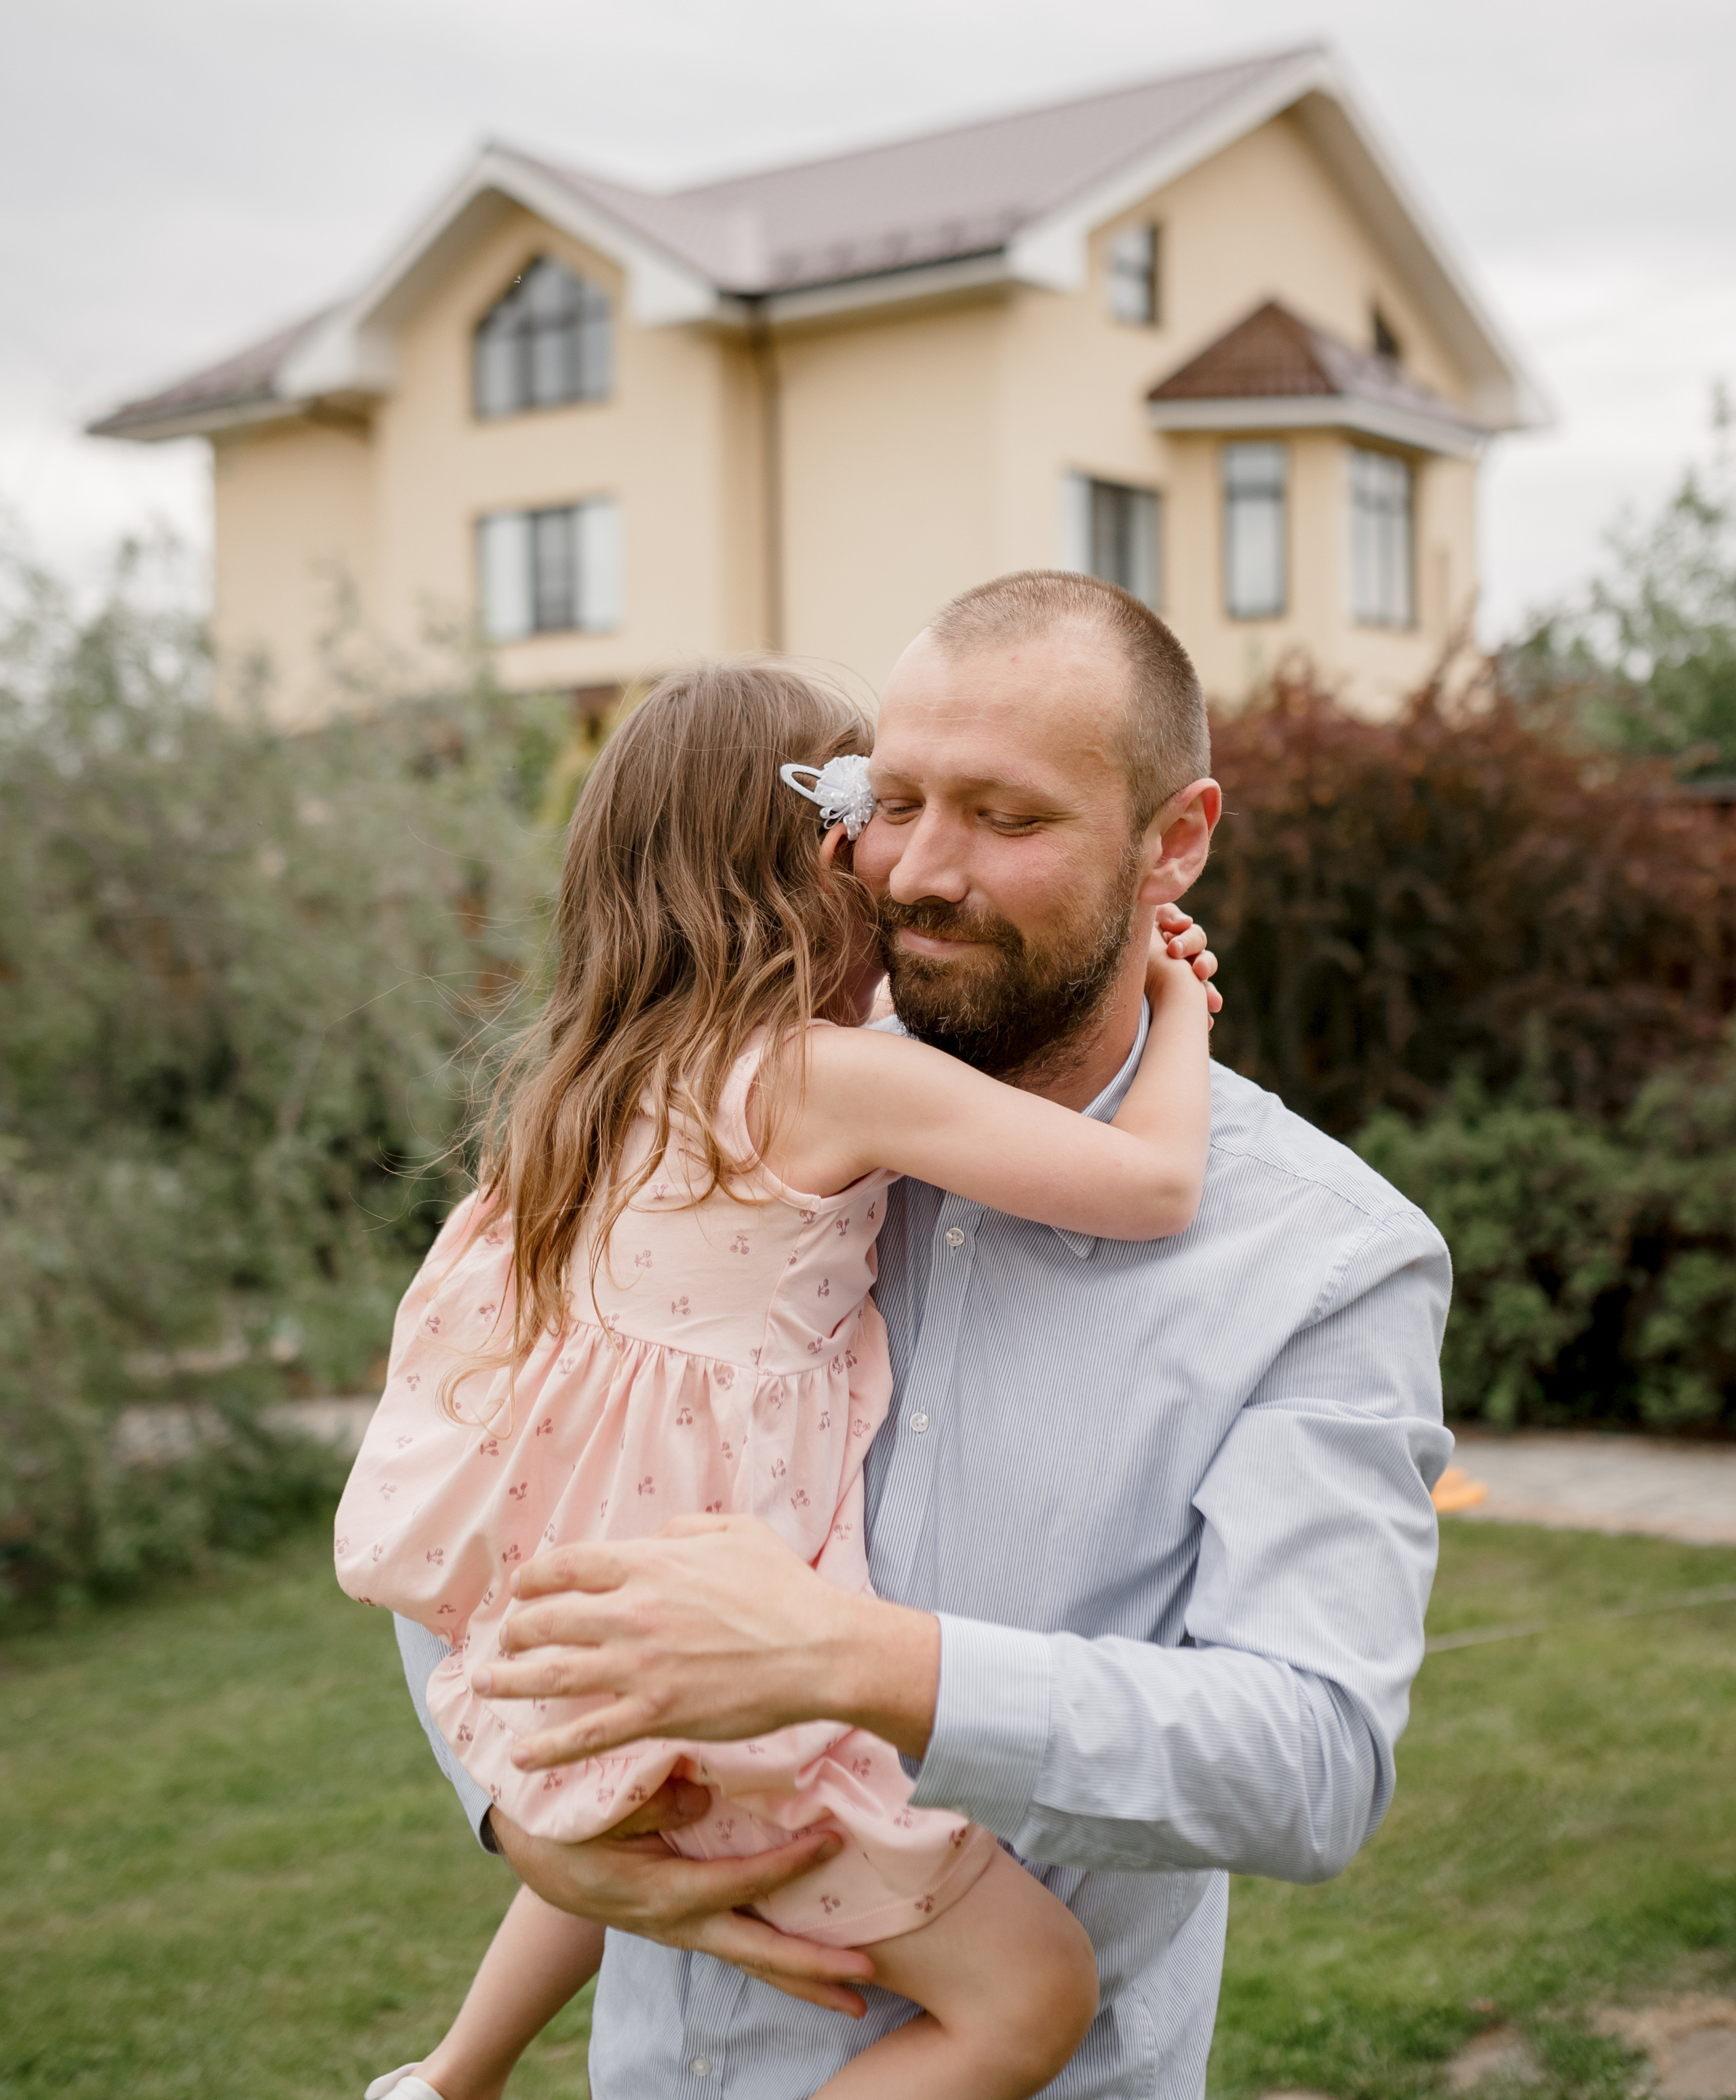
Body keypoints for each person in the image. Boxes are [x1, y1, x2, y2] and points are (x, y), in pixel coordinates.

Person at [397, 570, 1455, 2100]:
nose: (917, 873)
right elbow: (468, 1499)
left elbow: (1309, 1767)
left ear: (1175, 841)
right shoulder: (700, 1138)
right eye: (890, 801)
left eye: (1005, 819)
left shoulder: (1321, 1260)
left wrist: (866, 1663)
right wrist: (537, 1830)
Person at [338, 657, 1223, 2100]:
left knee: (623, 1832)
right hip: (741, 1654)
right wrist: (1173, 1001)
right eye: (884, 823)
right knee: (1034, 1997)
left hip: (586, 1635)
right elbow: (1151, 1185)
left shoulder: (576, 1094)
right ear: (830, 854)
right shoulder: (820, 1079)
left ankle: (448, 2077)